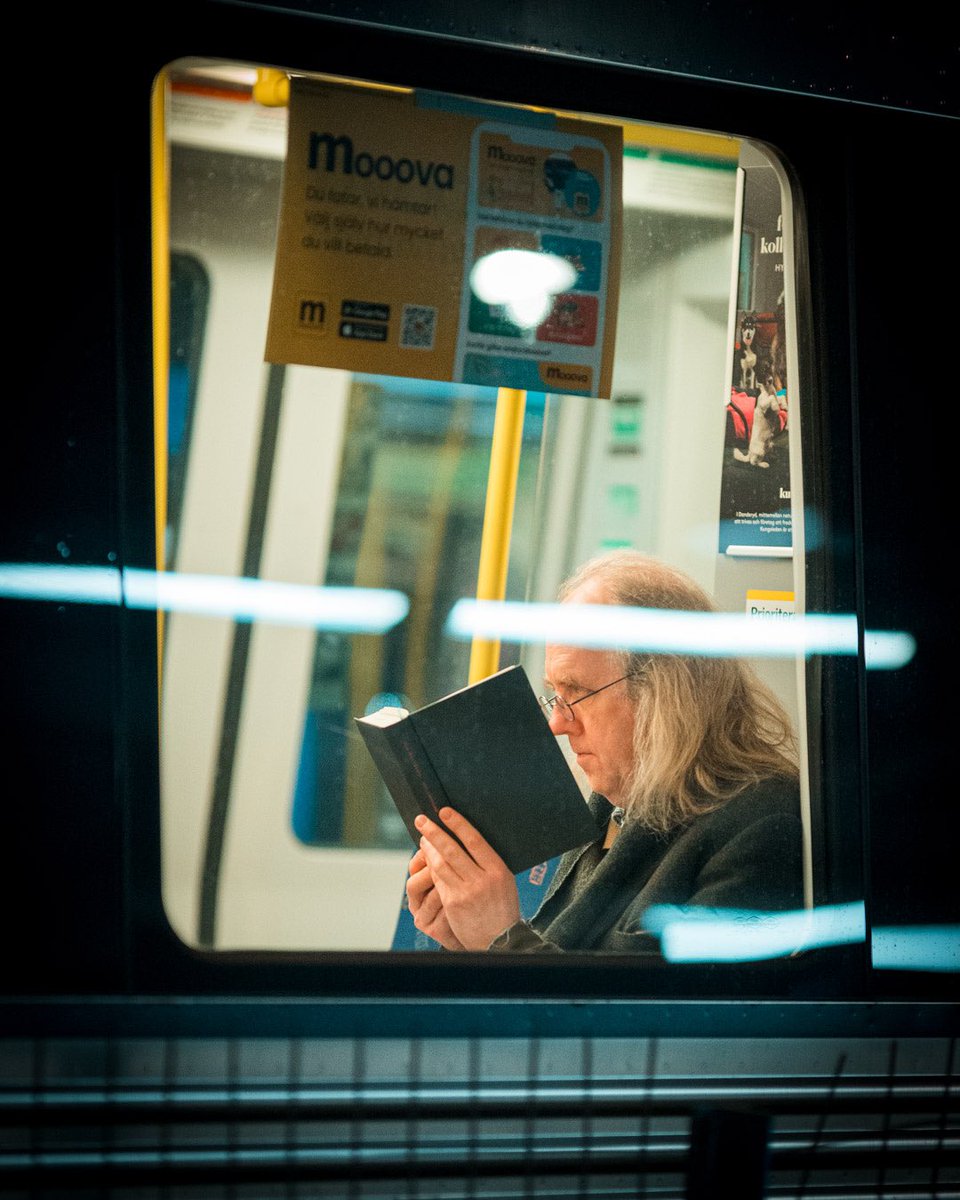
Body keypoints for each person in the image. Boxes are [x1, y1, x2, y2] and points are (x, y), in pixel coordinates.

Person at [406, 549, 804, 953]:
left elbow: (663, 997)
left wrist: (501, 938)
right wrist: (471, 946)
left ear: (663, 692)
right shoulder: (613, 808)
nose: (557, 724)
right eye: (555, 695)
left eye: (577, 692)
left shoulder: (760, 826)